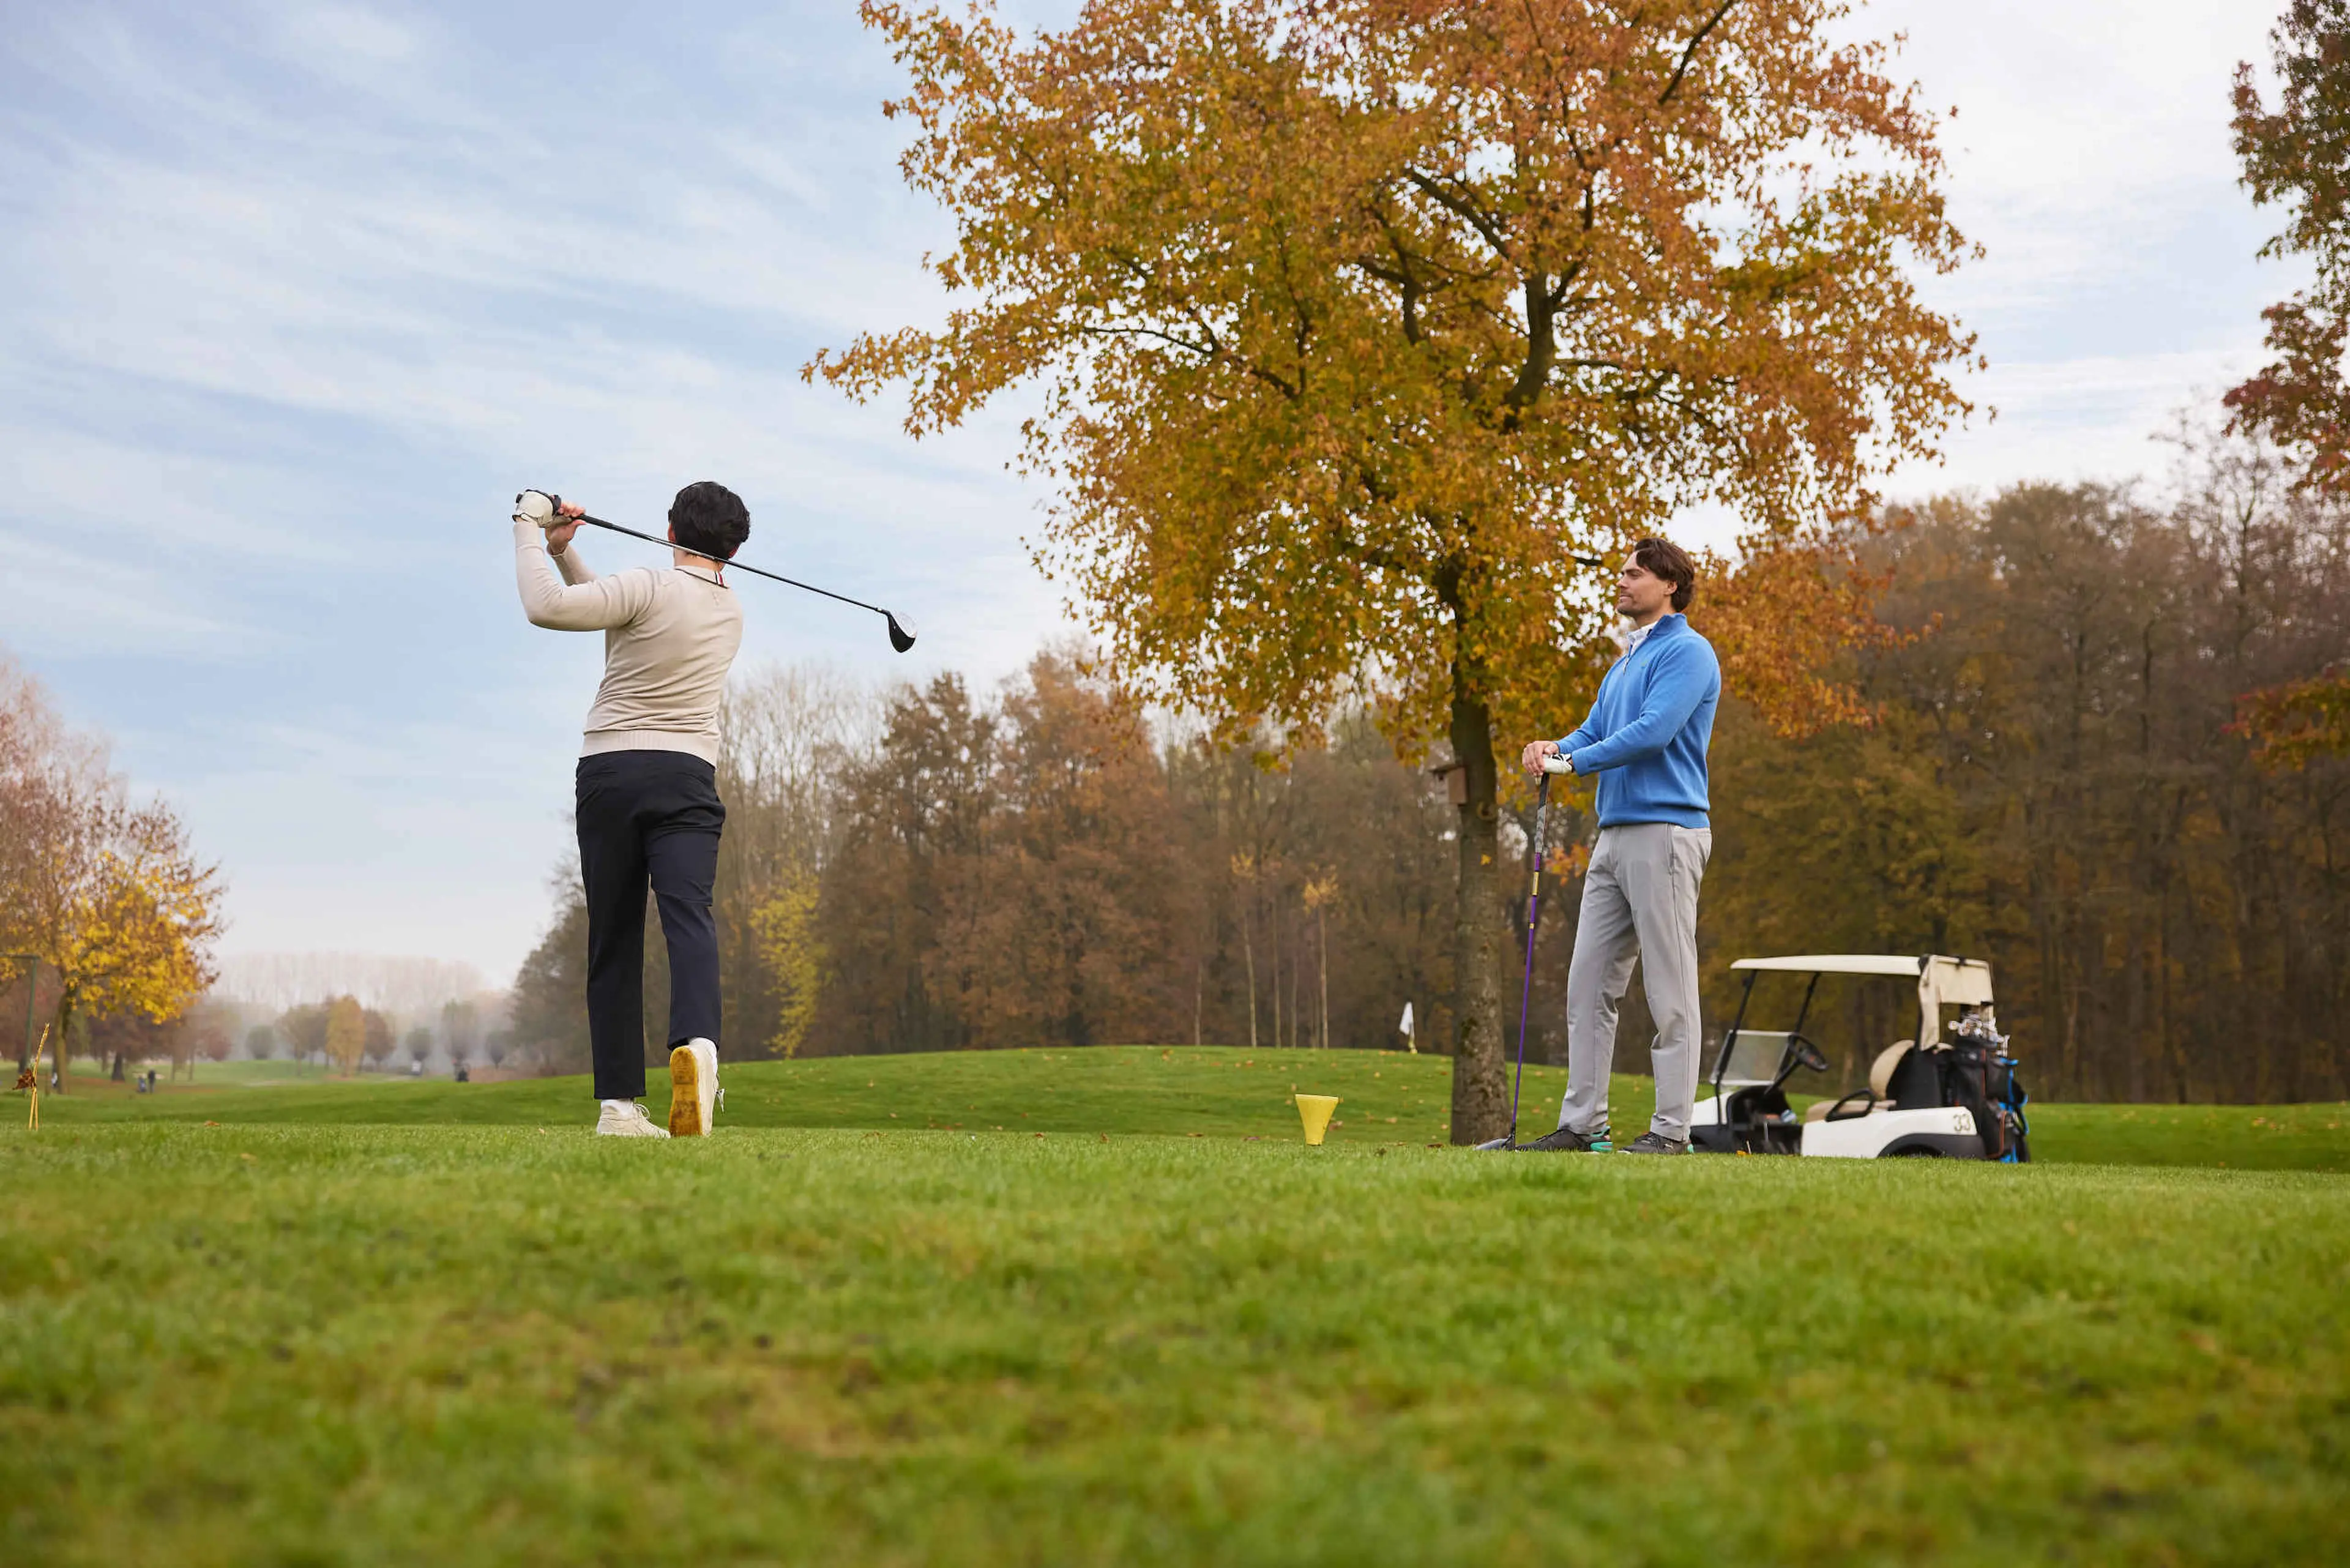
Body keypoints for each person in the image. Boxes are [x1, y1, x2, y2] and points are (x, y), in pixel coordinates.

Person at [512, 483, 748, 1138]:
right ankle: (698, 1047)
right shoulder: (731, 611)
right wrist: (567, 555)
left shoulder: (646, 584)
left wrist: (529, 526)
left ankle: (618, 1106)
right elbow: (621, 614)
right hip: (687, 778)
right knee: (689, 921)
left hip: (612, 772)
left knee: (613, 936)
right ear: (732, 549)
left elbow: (550, 609)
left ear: (671, 530)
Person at [1516, 537, 1720, 1155]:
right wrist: (1552, 747)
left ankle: (1671, 1133)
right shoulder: (1626, 660)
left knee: (1670, 989)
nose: (1623, 581)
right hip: (1614, 836)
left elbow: (1653, 733)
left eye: (1636, 574)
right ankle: (1585, 1126)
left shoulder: (1689, 652)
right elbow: (1596, 730)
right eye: (1623, 572)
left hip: (1666, 833)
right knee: (1587, 988)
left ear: (1670, 586)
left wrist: (1572, 764)